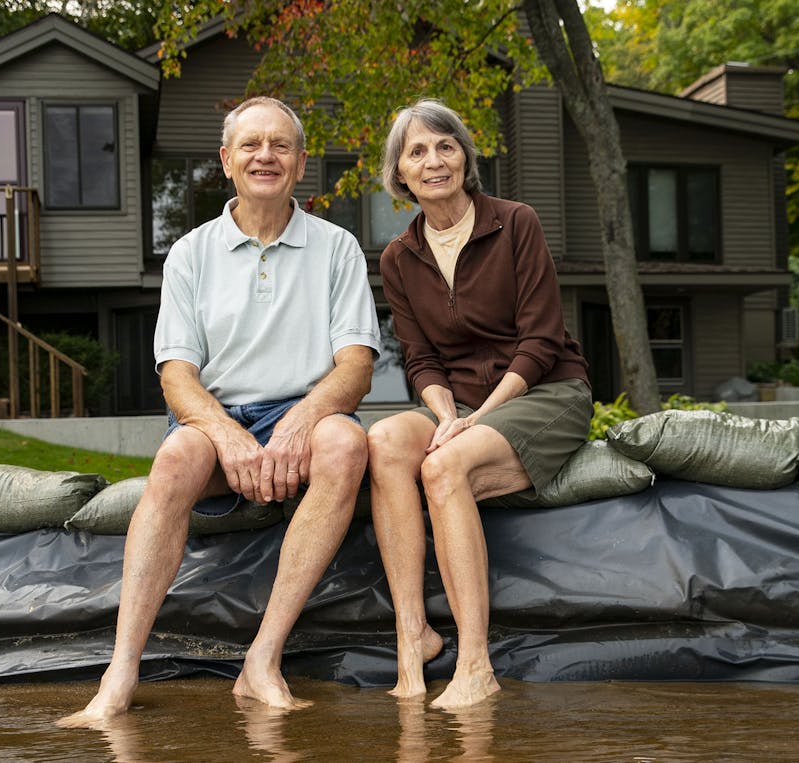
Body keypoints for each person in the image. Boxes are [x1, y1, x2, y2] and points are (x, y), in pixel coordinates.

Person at [57, 96, 381, 727]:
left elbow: (356, 368)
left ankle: (262, 659)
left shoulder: (337, 248)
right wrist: (230, 437)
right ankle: (119, 671)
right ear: (227, 161)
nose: (267, 156)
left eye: (281, 145)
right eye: (252, 145)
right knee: (177, 456)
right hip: (217, 415)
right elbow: (177, 375)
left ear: (301, 162)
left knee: (344, 444)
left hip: (304, 412)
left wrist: (300, 422)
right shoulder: (191, 253)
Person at [367, 99, 593, 709]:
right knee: (384, 442)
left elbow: (541, 340)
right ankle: (412, 638)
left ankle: (475, 664)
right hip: (459, 402)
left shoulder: (515, 222)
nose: (433, 160)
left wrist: (473, 421)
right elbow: (420, 361)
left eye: (445, 146)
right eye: (417, 151)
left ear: (465, 157)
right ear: (400, 173)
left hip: (543, 390)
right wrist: (445, 416)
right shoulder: (398, 257)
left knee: (442, 467)